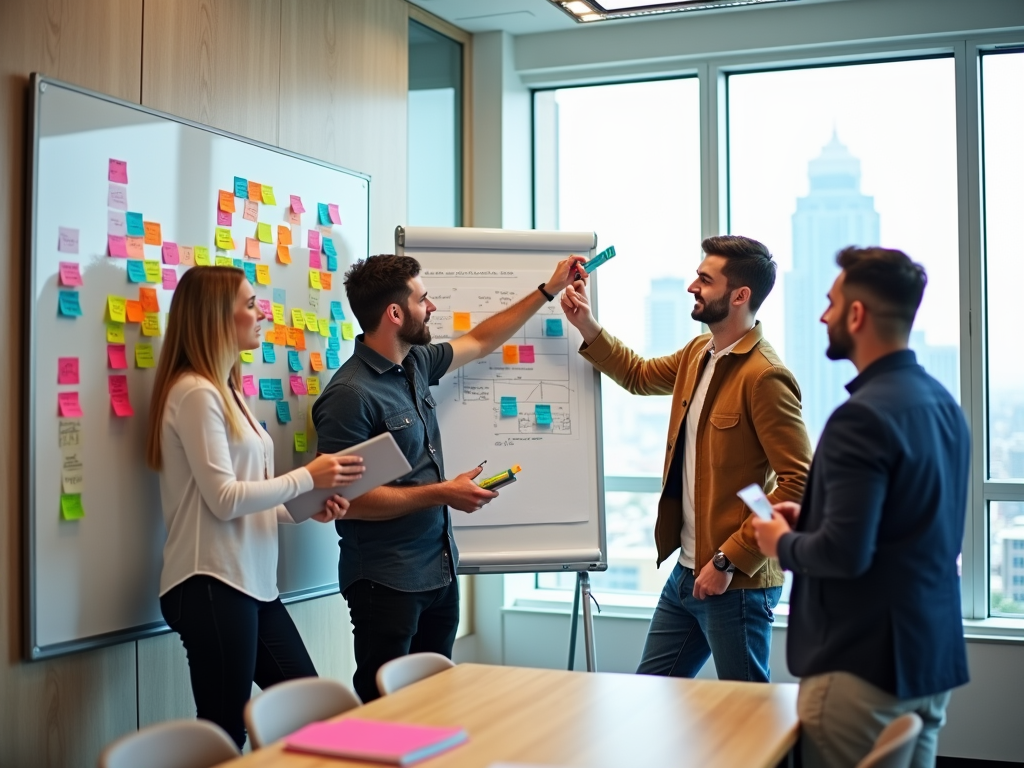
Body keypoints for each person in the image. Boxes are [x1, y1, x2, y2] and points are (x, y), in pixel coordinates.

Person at [312, 253, 584, 702]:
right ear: (395, 313)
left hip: (438, 572)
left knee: (434, 705)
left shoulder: (415, 362)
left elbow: (481, 339)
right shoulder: (349, 395)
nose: (432, 307)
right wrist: (443, 493)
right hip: (386, 581)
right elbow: (346, 500)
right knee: (384, 712)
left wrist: (547, 291)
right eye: (424, 299)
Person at [752, 247, 970, 768]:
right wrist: (816, 522)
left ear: (856, 315)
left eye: (831, 303)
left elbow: (845, 555)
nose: (822, 315)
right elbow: (909, 525)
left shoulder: (861, 418)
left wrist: (780, 543)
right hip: (929, 661)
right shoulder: (942, 404)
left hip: (861, 668)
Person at [560, 235, 812, 682]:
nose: (692, 287)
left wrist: (728, 560)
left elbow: (798, 483)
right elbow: (638, 375)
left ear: (740, 295)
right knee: (650, 694)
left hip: (735, 583)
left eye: (704, 279)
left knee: (746, 716)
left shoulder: (765, 377)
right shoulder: (700, 354)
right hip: (686, 574)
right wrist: (587, 325)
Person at [146, 266, 365, 748]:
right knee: (225, 734)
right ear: (215, 318)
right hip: (210, 583)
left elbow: (255, 495)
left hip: (251, 584)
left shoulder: (226, 392)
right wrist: (308, 476)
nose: (260, 312)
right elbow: (225, 500)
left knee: (312, 711)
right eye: (249, 304)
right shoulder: (195, 393)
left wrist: (308, 503)